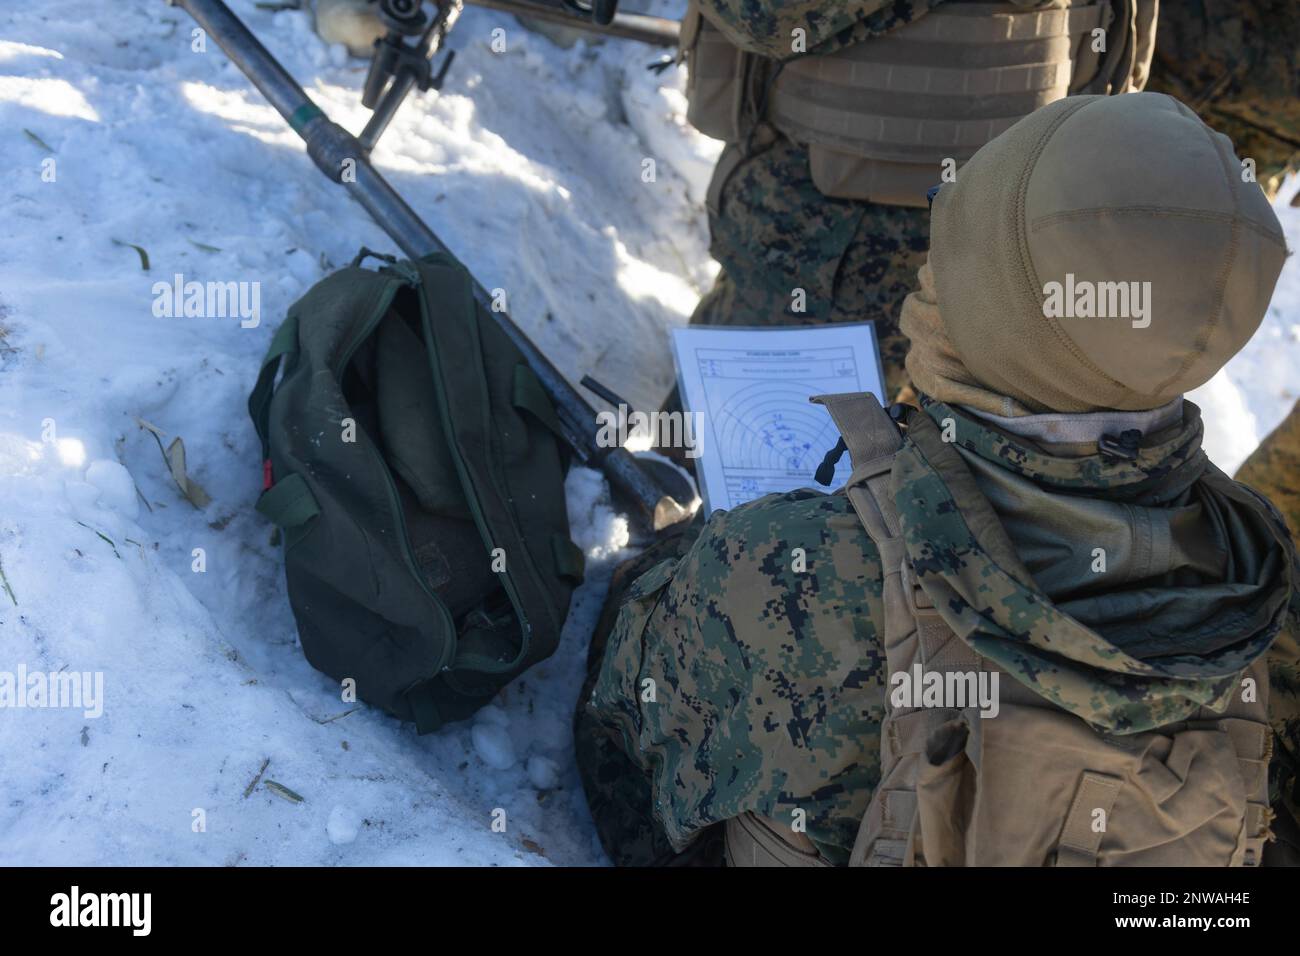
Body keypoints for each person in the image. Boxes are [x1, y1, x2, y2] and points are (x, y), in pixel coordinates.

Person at [575, 91, 1300, 866]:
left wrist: (677, 555)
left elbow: (621, 727)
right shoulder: (1260, 585)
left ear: (1001, 312)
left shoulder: (800, 566)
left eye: (957, 240)